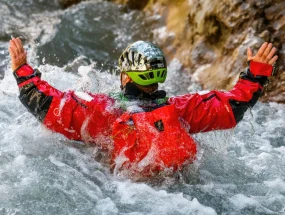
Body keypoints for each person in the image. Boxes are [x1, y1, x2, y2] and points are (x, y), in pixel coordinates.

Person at [9, 38, 278, 177]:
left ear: (126, 75)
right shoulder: (183, 110)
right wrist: (256, 73)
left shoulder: (103, 110)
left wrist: (22, 69)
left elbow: (41, 102)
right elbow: (235, 106)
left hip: (122, 191)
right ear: (159, 76)